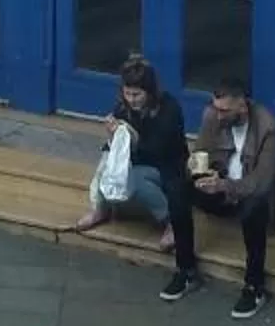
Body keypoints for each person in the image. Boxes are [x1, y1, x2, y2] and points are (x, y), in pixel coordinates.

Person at [76, 57, 198, 288]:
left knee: (137, 180)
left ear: (149, 92)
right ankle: (99, 209)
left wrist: (133, 137)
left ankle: (171, 221)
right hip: (137, 162)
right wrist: (114, 137)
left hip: (167, 167)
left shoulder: (168, 109)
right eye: (128, 94)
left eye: (137, 95)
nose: (132, 100)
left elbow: (161, 149)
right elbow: (117, 150)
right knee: (106, 165)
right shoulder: (123, 107)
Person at [189, 77, 275, 319]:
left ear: (242, 106)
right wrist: (196, 169)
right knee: (179, 186)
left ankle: (254, 287)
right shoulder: (212, 116)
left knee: (254, 205)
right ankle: (185, 268)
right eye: (215, 108)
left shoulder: (267, 127)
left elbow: (261, 183)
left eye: (224, 110)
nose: (218, 115)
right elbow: (200, 153)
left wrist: (225, 185)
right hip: (221, 189)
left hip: (248, 194)